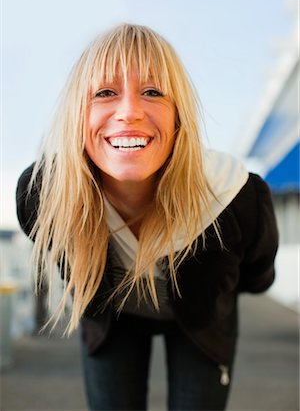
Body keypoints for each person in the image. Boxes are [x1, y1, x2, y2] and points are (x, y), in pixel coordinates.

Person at [16, 23, 278, 411]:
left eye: (153, 91)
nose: (129, 113)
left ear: (178, 118)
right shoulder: (44, 194)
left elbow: (257, 276)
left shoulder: (236, 196)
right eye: (105, 92)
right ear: (77, 114)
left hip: (201, 320)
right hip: (112, 317)